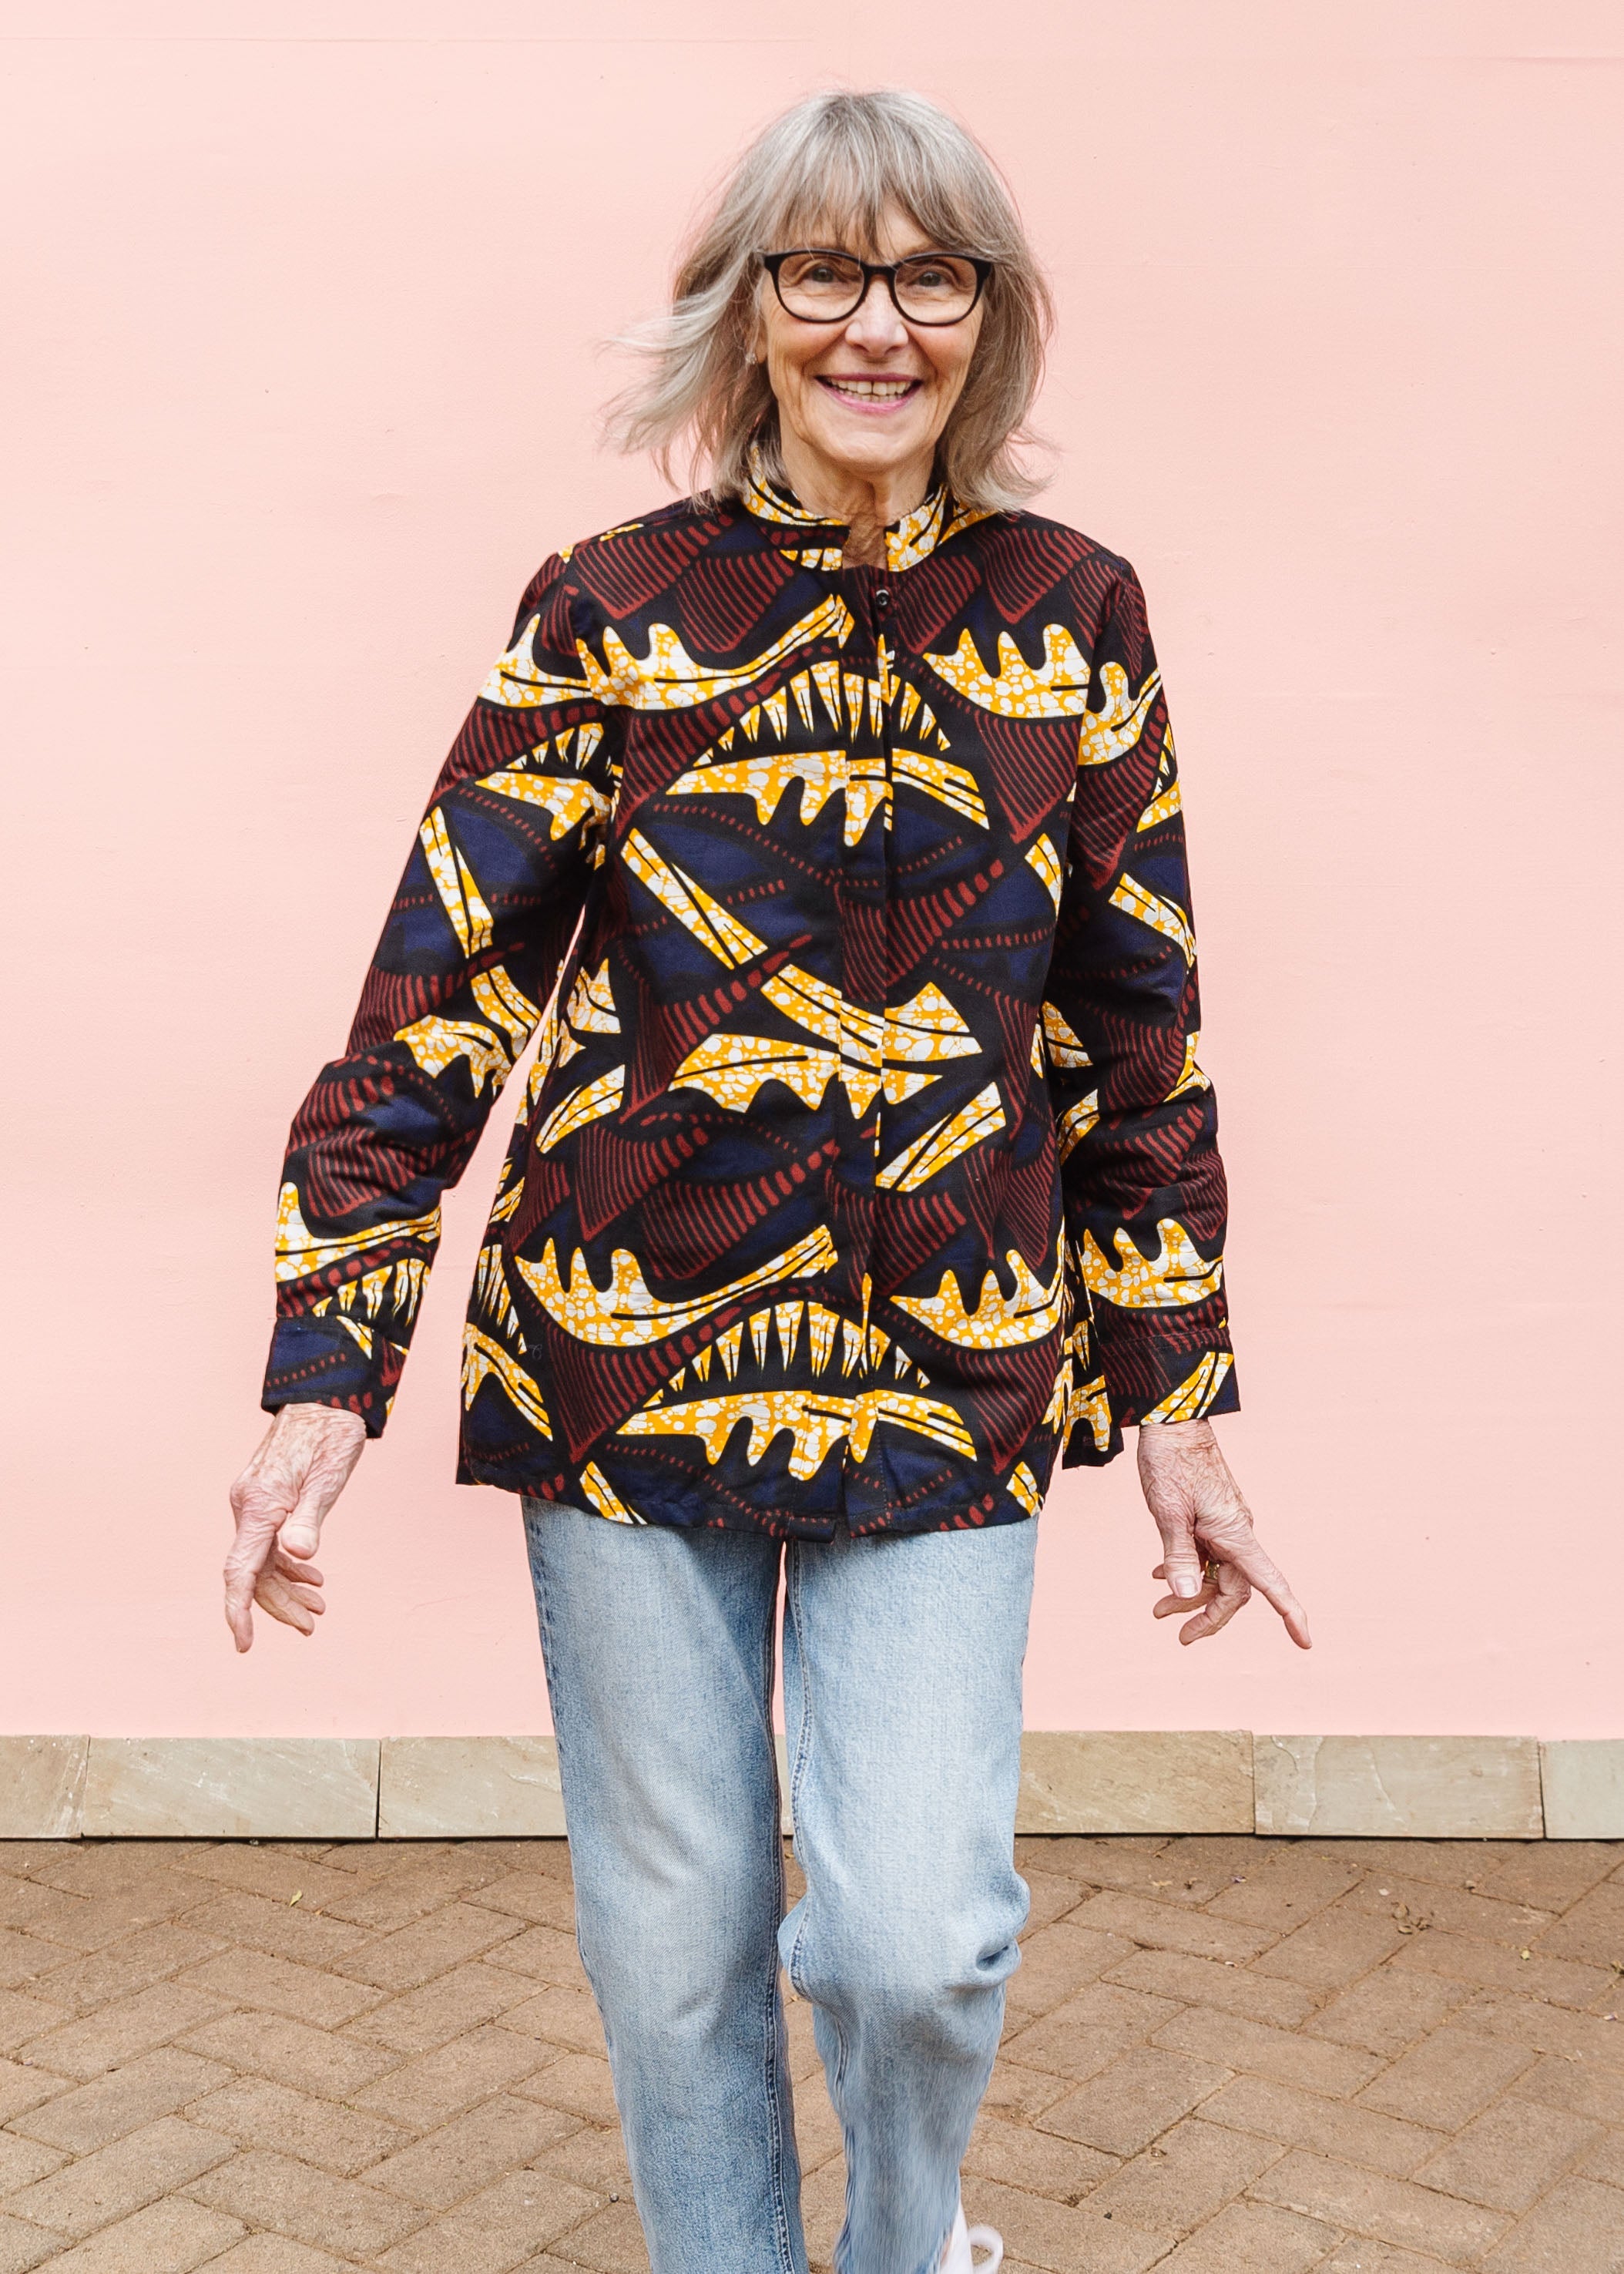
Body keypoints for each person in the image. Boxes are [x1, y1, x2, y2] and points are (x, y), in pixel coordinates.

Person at [224, 88, 1310, 2274]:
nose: (874, 326)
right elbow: (437, 998)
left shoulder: (1069, 612)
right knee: (677, 1943)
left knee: (913, 1939)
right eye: (823, 272)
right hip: (625, 1370)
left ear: (986, 317)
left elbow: (1135, 1034)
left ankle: (908, 2246)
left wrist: (1179, 1396)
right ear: (749, 307)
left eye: (927, 275)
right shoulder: (612, 610)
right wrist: (323, 1376)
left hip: (958, 1358)